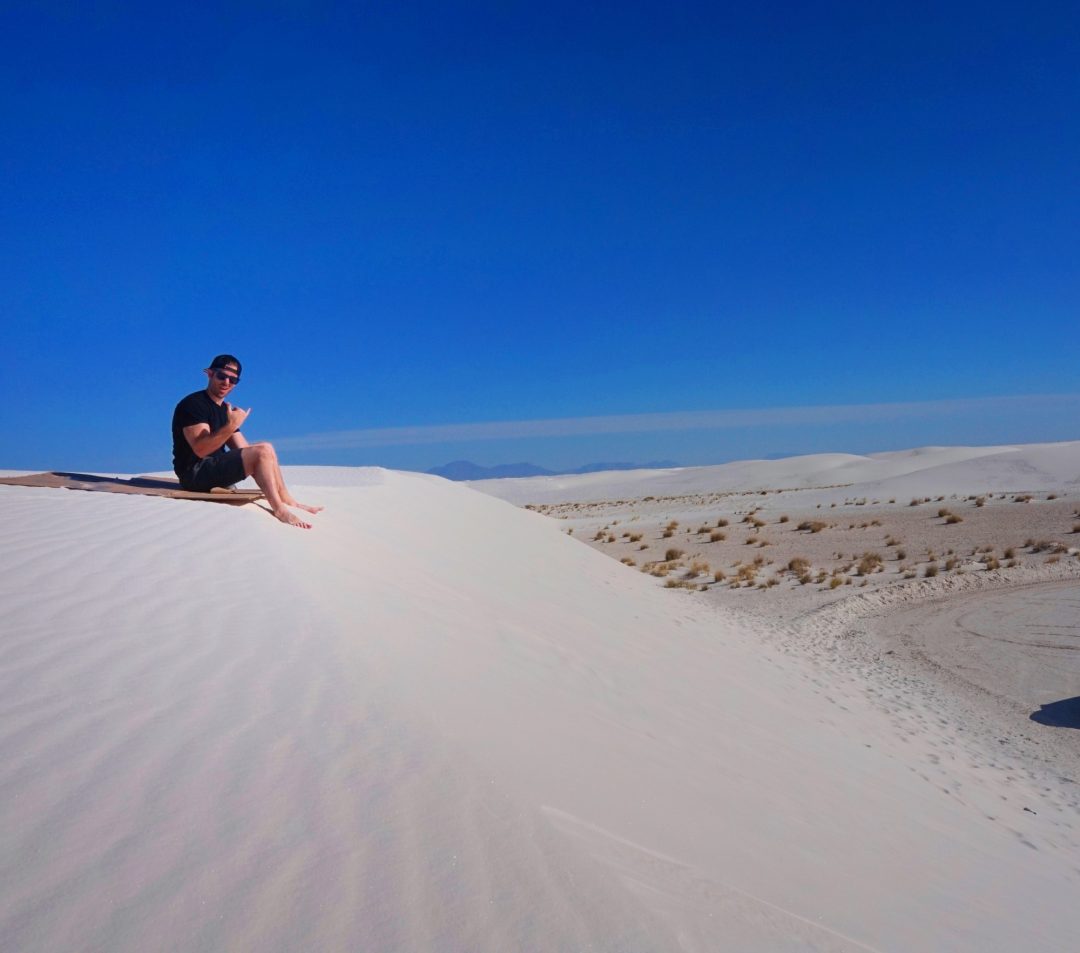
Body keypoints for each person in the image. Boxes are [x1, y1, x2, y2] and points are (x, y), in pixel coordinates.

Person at [172, 354, 322, 529]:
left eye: (233, 379)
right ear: (210, 374)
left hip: (212, 471)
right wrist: (233, 424)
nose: (226, 382)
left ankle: (286, 498)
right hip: (193, 474)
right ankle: (279, 510)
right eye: (222, 376)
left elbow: (245, 450)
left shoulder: (224, 410)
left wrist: (234, 426)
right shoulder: (193, 404)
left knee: (266, 447)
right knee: (262, 451)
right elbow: (200, 449)